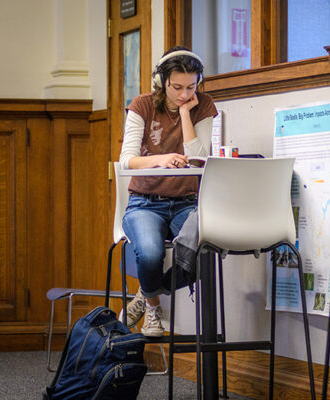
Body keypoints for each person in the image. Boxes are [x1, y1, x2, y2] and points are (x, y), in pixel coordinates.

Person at [118, 46, 217, 337]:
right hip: (144, 203)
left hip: (187, 202)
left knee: (204, 249)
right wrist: (160, 159)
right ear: (162, 82)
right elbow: (127, 159)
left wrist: (186, 113)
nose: (184, 94)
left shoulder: (203, 105)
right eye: (176, 87)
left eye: (191, 86)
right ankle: (152, 305)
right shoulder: (142, 105)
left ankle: (145, 291)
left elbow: (199, 159)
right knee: (150, 254)